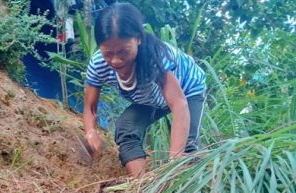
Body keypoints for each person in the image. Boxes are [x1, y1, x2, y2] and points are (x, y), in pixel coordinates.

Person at [83, 2, 206, 177]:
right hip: (150, 98)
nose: (116, 60)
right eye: (108, 53)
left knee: (187, 149)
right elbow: (89, 108)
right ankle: (142, 187)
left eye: (123, 51)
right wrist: (91, 132)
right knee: (125, 130)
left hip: (187, 91)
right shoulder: (99, 64)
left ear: (138, 38)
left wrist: (174, 161)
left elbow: (179, 105)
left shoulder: (156, 58)